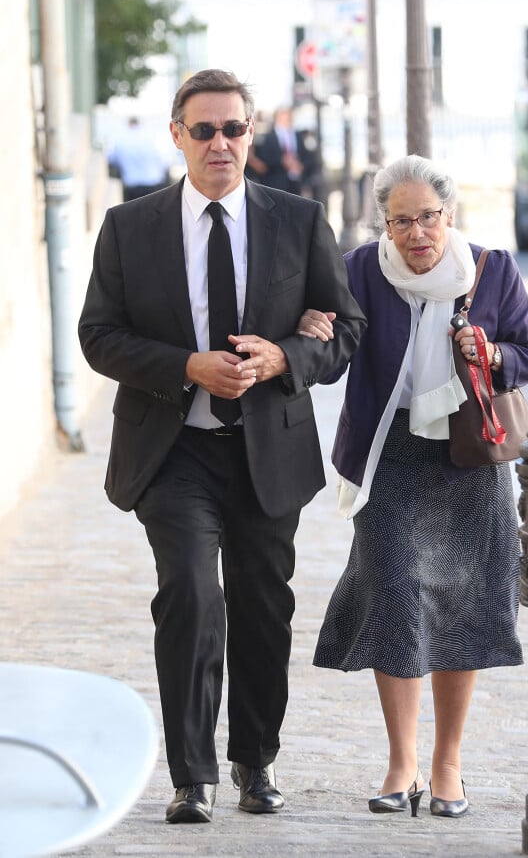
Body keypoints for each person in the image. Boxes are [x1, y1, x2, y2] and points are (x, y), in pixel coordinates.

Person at [78, 69, 365, 825]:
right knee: (192, 599)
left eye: (233, 129)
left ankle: (255, 761)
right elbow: (98, 337)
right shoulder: (128, 227)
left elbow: (347, 332)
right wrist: (185, 366)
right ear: (177, 135)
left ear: (251, 134)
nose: (220, 144)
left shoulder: (298, 222)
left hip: (268, 452)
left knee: (264, 608)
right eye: (203, 130)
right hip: (174, 451)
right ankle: (192, 775)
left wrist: (283, 358)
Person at [302, 154, 528, 818]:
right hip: (391, 455)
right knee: (397, 594)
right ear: (384, 222)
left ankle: (448, 765)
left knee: (462, 604)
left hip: (470, 457)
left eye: (427, 218)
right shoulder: (357, 271)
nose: (416, 234)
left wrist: (492, 355)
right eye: (400, 220)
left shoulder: (491, 270)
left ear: (450, 215)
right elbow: (329, 358)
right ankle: (402, 760)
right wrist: (312, 330)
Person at [246, 106, 307, 195]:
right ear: (278, 117)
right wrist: (282, 161)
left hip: (296, 183)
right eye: (286, 116)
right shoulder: (267, 137)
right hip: (276, 183)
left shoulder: (298, 135)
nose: (289, 119)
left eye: (290, 116)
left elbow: (306, 156)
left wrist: (300, 165)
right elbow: (263, 159)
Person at [107, 116, 170, 201]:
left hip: (133, 188)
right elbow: (165, 163)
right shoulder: (152, 137)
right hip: (155, 186)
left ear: (129, 124)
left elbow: (112, 160)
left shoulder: (121, 140)